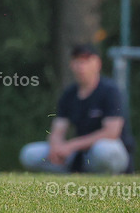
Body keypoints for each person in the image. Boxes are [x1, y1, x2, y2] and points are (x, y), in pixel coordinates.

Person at [20, 43, 134, 174]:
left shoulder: (110, 91)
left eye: (86, 61)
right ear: (71, 65)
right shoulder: (69, 94)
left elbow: (111, 133)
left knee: (104, 150)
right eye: (78, 62)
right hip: (80, 155)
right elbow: (58, 129)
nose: (81, 67)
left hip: (107, 152)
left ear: (97, 63)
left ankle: (102, 174)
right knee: (30, 154)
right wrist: (55, 147)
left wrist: (70, 146)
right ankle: (75, 174)